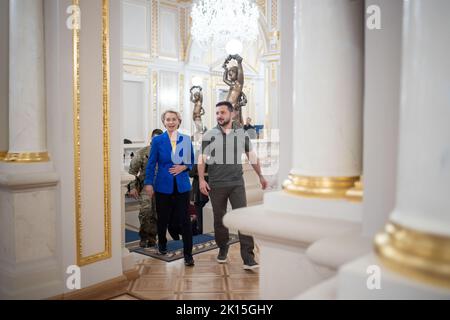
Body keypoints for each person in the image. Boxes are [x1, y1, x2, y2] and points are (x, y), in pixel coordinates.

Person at [198, 101, 268, 270]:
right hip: (216, 184)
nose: (219, 116)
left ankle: (248, 258)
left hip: (237, 182)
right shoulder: (209, 135)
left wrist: (260, 175)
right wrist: (201, 180)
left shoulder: (241, 134)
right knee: (219, 220)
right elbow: (201, 159)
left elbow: (252, 157)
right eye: (217, 113)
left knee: (244, 218)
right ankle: (223, 247)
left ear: (232, 114)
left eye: (222, 112)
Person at [144, 109, 195, 267]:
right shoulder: (158, 141)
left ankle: (188, 254)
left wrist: (183, 167)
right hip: (162, 186)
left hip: (182, 186)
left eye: (174, 119)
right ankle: (163, 245)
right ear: (164, 122)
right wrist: (148, 183)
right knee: (163, 219)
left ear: (179, 121)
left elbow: (191, 161)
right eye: (168, 119)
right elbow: (151, 163)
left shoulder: (186, 140)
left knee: (185, 221)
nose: (171, 122)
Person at [128, 129, 163, 248]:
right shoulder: (142, 152)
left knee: (158, 214)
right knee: (146, 212)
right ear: (151, 139)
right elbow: (132, 172)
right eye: (155, 139)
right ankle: (144, 237)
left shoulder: (166, 152)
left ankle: (153, 238)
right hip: (146, 187)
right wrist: (132, 187)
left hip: (162, 188)